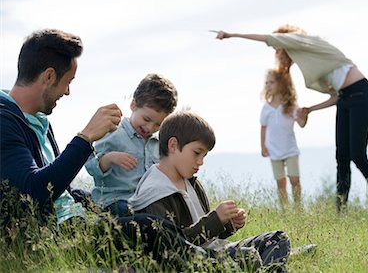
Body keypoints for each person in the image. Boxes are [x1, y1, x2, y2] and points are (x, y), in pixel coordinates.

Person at [0, 29, 223, 270]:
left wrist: (88, 202)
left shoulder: (37, 121)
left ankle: (216, 260)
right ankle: (218, 265)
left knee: (156, 226)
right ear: (49, 76)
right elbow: (33, 192)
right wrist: (85, 138)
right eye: (68, 82)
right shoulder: (4, 122)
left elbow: (58, 189)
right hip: (58, 235)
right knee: (149, 229)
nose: (67, 92)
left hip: (78, 219)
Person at [213, 25, 368, 211]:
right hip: (345, 98)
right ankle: (341, 211)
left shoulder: (307, 42)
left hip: (361, 94)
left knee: (358, 156)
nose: (277, 50)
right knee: (342, 157)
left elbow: (268, 38)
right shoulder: (311, 60)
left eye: (278, 45)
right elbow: (336, 97)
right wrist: (310, 109)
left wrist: (232, 34)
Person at [129, 111, 291, 272]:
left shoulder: (192, 182)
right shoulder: (155, 192)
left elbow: (209, 237)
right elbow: (172, 250)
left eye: (204, 155)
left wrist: (227, 225)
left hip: (217, 251)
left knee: (277, 239)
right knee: (248, 257)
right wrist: (215, 220)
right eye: (197, 153)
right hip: (192, 261)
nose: (200, 162)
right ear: (173, 145)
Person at [85, 73, 177, 217]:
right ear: (133, 105)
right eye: (146, 119)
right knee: (126, 211)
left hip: (146, 203)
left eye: (158, 124)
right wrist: (110, 158)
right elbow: (91, 167)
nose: (150, 128)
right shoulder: (113, 132)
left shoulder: (159, 144)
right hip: (114, 201)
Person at [260, 68, 306, 209]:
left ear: (281, 84)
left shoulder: (290, 106)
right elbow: (263, 127)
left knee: (294, 179)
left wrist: (304, 116)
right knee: (280, 182)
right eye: (267, 83)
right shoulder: (266, 108)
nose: (268, 85)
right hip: (274, 150)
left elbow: (301, 124)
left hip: (290, 149)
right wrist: (263, 146)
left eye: (272, 82)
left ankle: (298, 208)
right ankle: (284, 210)